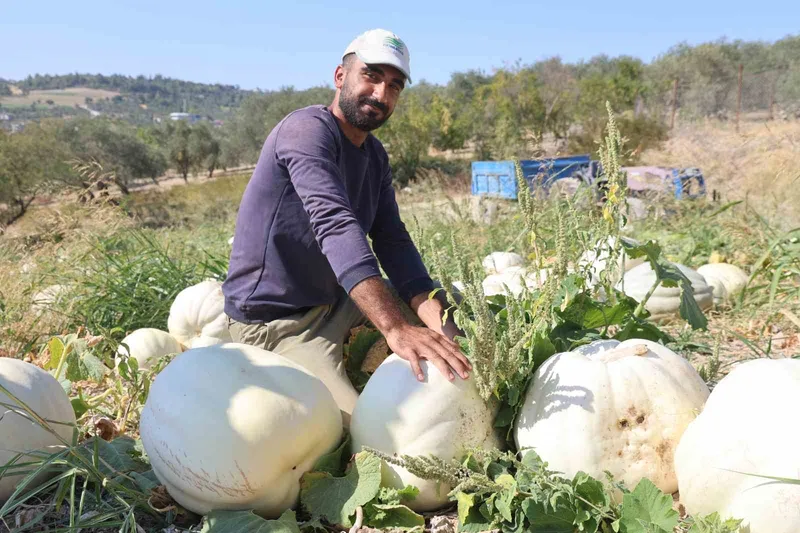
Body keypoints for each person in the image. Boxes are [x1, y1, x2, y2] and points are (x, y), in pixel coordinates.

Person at [222, 29, 470, 422]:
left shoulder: (374, 155)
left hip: (339, 300)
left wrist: (440, 323)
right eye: (370, 76)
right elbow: (335, 225)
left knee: (454, 306)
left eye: (394, 86)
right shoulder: (306, 132)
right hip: (277, 320)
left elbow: (392, 240)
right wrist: (395, 328)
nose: (380, 94)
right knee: (354, 428)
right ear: (340, 76)